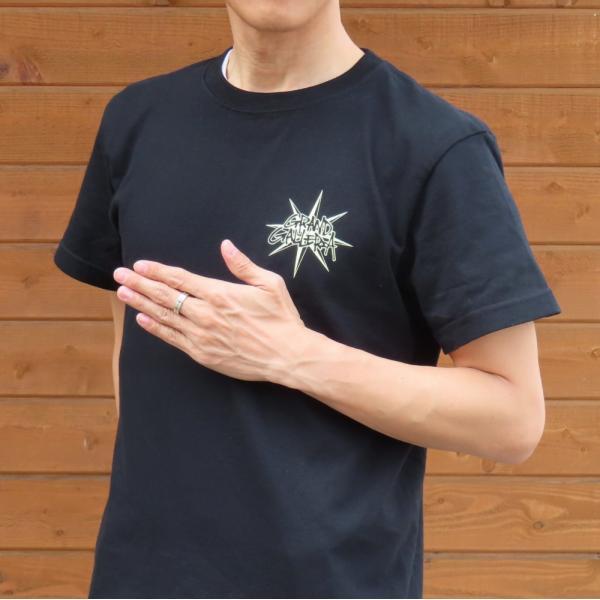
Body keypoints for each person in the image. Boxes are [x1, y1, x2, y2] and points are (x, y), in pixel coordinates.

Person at [53, 1, 562, 598]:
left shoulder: (434, 146)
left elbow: (512, 420)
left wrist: (294, 356)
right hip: (142, 580)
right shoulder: (136, 122)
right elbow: (135, 353)